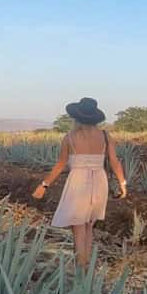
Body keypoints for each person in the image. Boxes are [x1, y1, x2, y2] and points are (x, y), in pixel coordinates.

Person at [32, 98, 126, 268]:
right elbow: (114, 161)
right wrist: (122, 183)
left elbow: (60, 165)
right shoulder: (105, 136)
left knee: (78, 228)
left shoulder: (69, 138)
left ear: (76, 117)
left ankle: (80, 270)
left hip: (77, 182)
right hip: (100, 180)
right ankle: (87, 267)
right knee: (89, 225)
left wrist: (44, 185)